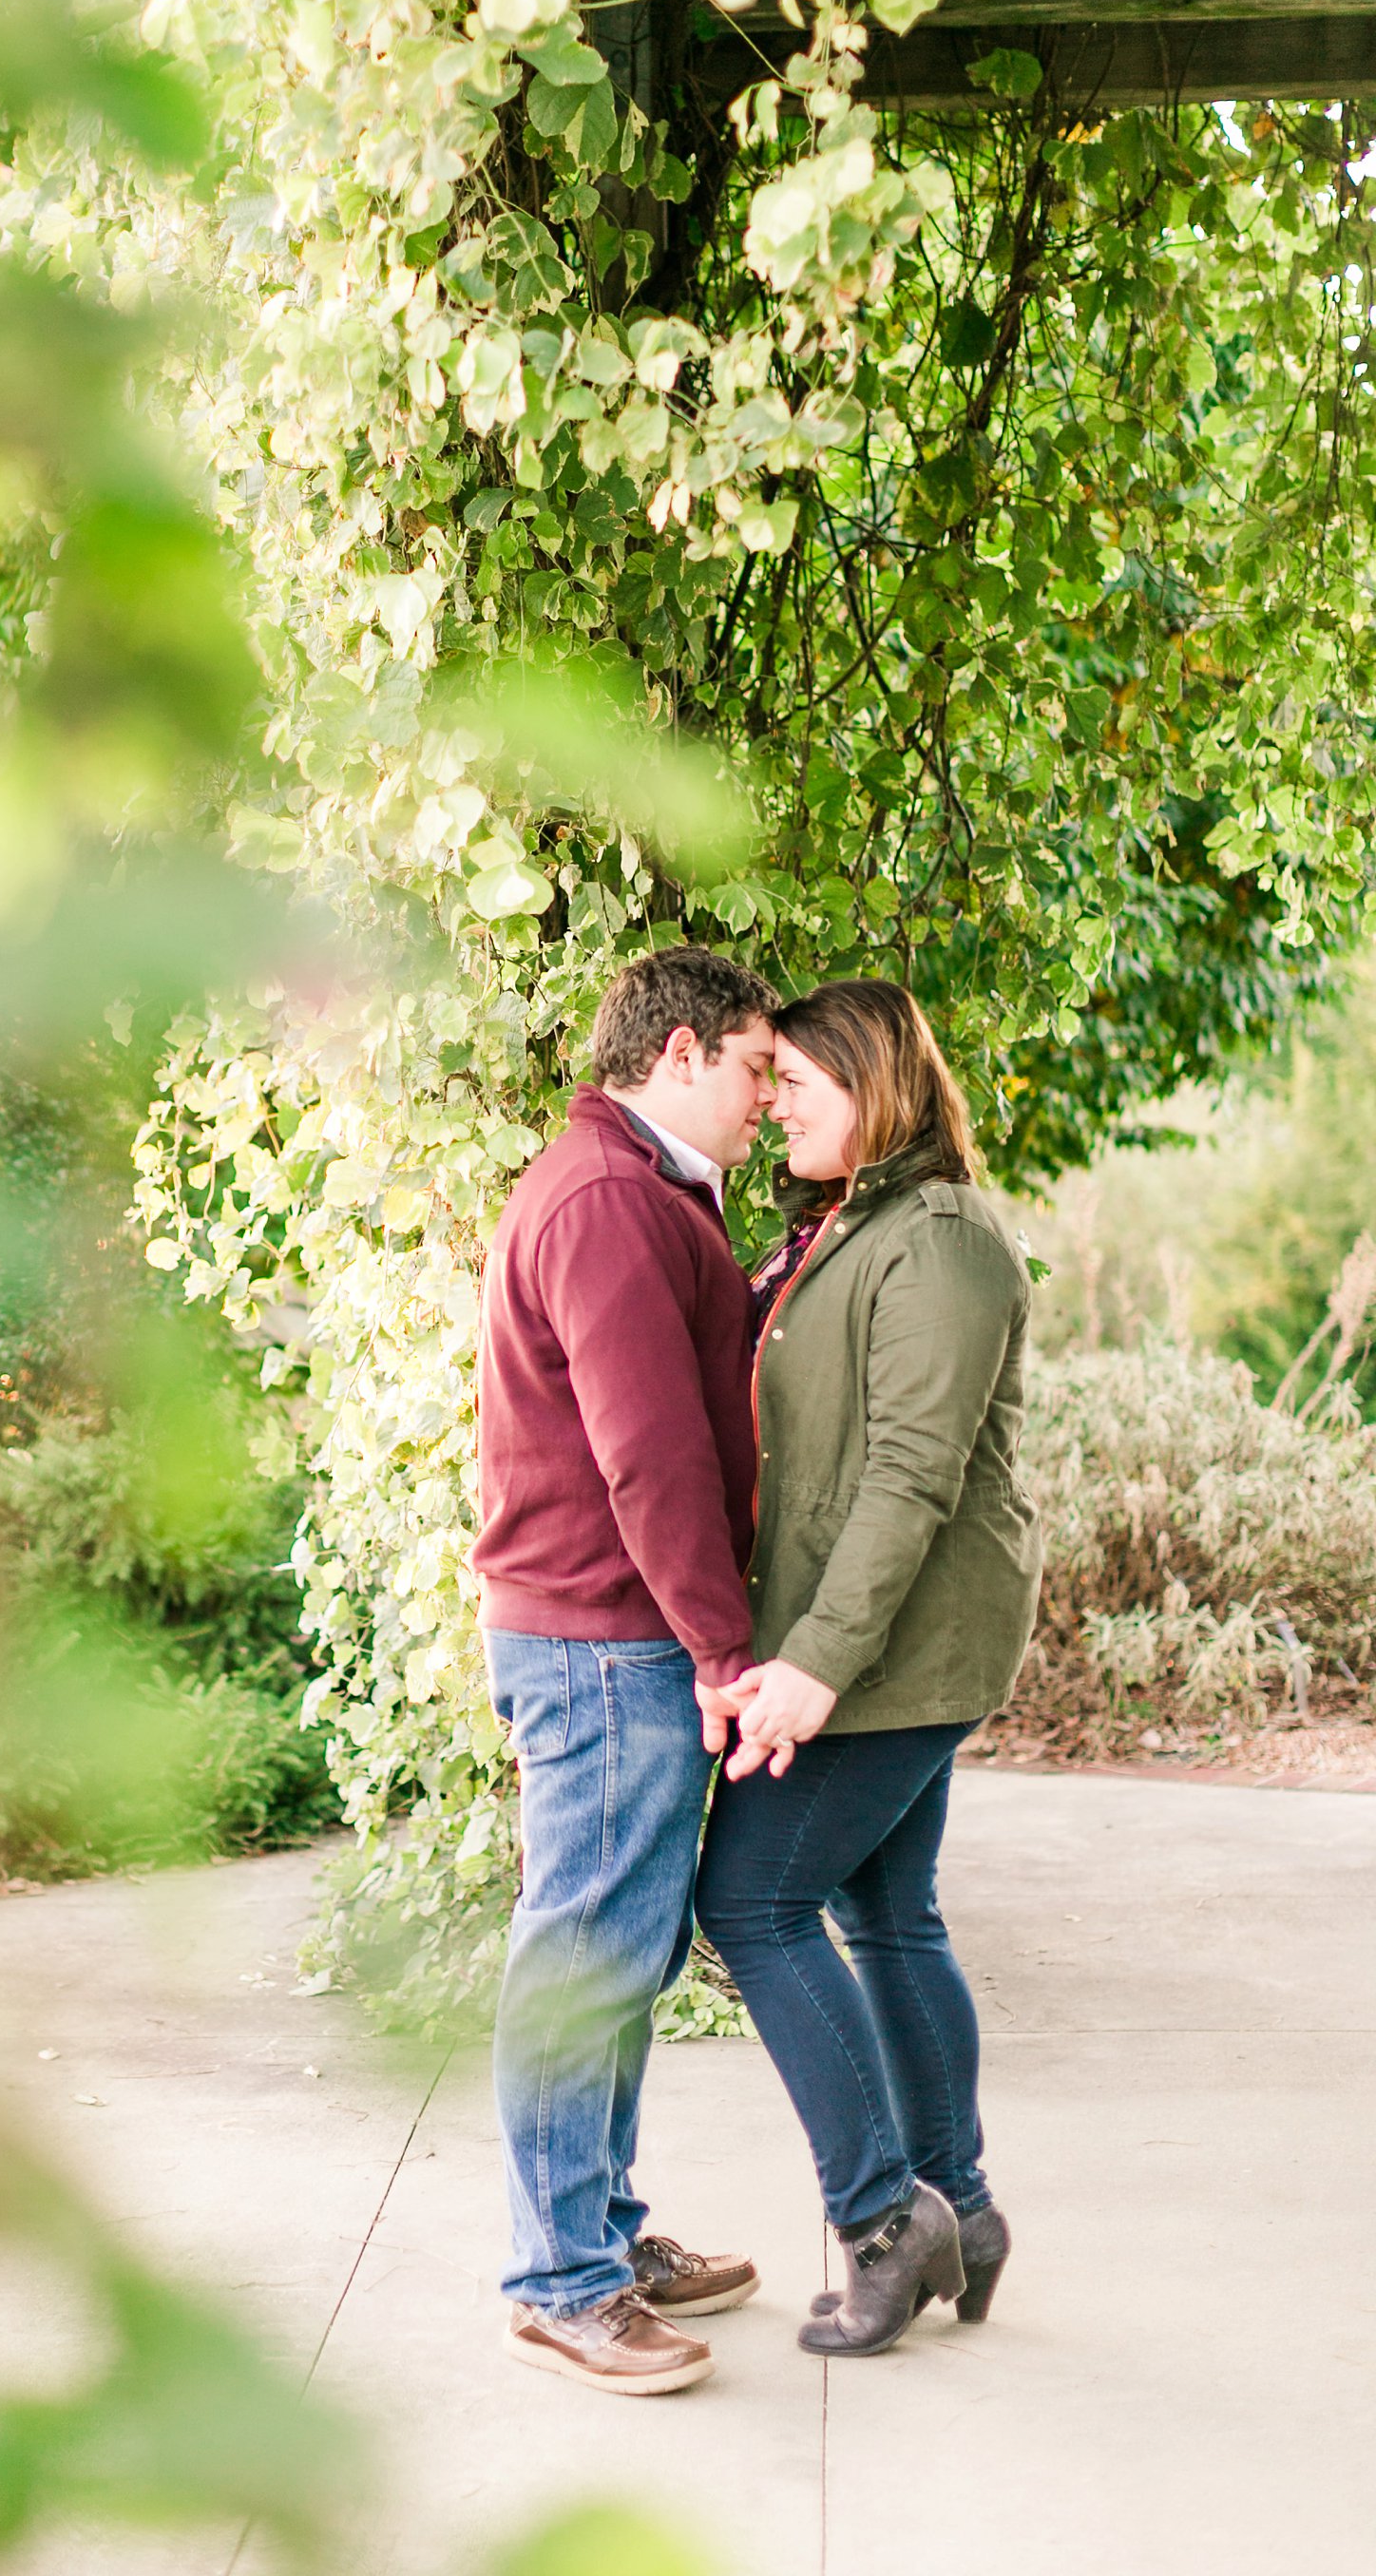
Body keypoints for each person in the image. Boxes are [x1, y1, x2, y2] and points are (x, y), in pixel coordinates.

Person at [691, 977, 1042, 2359]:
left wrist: (815, 1668)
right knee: (891, 1914)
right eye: (765, 1080)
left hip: (906, 1646)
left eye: (801, 1083)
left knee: (754, 1898)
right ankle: (962, 2208)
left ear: (879, 1090)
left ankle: (886, 2224)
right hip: (862, 1638)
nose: (774, 1101)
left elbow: (910, 1478)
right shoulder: (846, 1229)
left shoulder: (941, 1238)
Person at [472, 945, 778, 2395]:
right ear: (681, 1056)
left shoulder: (640, 1193)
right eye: (757, 1067)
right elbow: (645, 1453)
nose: (768, 1099)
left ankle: (599, 2228)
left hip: (615, 1631)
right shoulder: (604, 1201)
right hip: (604, 1639)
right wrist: (722, 1649)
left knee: (622, 1955)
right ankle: (560, 2282)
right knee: (586, 1951)